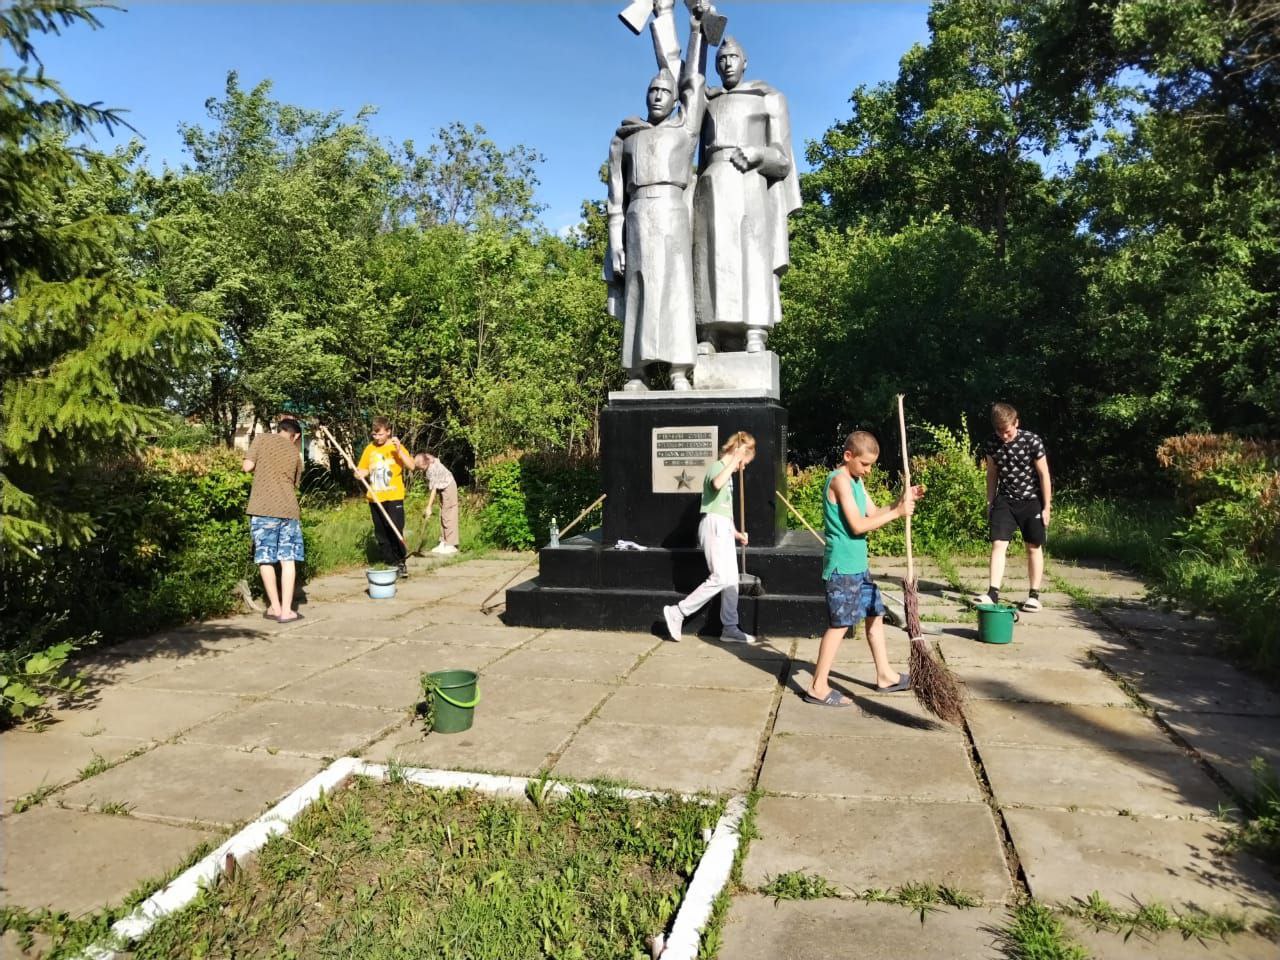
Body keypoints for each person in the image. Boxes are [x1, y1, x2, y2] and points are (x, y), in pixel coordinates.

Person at [606, 0, 710, 392]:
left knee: (675, 290)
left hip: (672, 213)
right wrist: (616, 242)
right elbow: (615, 196)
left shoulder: (684, 131)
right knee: (639, 288)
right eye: (652, 90)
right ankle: (636, 372)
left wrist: (695, 30)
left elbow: (693, 82)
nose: (657, 95)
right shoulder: (626, 138)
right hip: (636, 217)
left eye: (663, 91)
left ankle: (679, 370)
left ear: (673, 100)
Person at [691, 34, 801, 355]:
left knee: (751, 255)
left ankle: (755, 329)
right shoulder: (708, 102)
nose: (727, 64)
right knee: (708, 257)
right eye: (721, 60)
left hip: (749, 181)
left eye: (733, 58)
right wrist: (698, 30)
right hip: (710, 186)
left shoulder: (767, 97)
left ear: (744, 62)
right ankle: (709, 332)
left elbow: (782, 159)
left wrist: (757, 153)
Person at [805, 431, 924, 706]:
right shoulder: (839, 482)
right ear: (848, 456)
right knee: (840, 625)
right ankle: (817, 686)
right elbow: (858, 525)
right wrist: (898, 513)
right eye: (865, 464)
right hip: (843, 567)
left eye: (872, 465)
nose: (869, 471)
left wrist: (901, 501)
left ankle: (885, 676)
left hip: (859, 565)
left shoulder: (856, 481)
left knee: (875, 614)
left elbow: (873, 513)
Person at [662, 431, 759, 644]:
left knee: (731, 580)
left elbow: (723, 508)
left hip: (722, 526)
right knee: (720, 578)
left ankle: (730, 628)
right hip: (713, 525)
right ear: (738, 452)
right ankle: (678, 612)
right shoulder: (718, 468)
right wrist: (735, 458)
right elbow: (716, 484)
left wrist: (736, 534)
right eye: (744, 462)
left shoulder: (729, 476)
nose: (742, 467)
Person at [971, 403, 1053, 611]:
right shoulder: (991, 443)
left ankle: (1034, 595)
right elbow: (992, 474)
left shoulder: (1032, 441)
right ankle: (992, 593)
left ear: (1016, 423)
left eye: (1007, 431)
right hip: (1005, 500)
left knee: (1033, 546)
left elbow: (1044, 475)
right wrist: (990, 501)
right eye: (999, 432)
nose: (1004, 436)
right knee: (998, 544)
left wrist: (1047, 507)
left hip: (1032, 500)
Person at [242, 418, 304, 622]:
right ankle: (287, 611)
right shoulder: (295, 453)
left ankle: (275, 608)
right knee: (288, 559)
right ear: (295, 436)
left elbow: (247, 467)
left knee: (266, 558)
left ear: (280, 430)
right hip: (288, 510)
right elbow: (295, 483)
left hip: (263, 509)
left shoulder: (260, 439)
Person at [354, 416, 414, 576]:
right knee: (381, 532)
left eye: (380, 434)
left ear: (388, 432)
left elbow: (411, 465)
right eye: (375, 435)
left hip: (394, 495)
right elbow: (364, 469)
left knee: (395, 528)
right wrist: (359, 474)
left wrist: (400, 450)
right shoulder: (369, 449)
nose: (377, 438)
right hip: (375, 497)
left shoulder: (396, 447)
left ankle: (401, 562)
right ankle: (390, 563)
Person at [414, 452, 459, 555]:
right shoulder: (429, 460)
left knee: (448, 515)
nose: (420, 470)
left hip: (449, 486)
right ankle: (443, 542)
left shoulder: (432, 469)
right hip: (443, 487)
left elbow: (433, 490)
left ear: (425, 463)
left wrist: (429, 507)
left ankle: (451, 544)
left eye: (420, 467)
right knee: (442, 514)